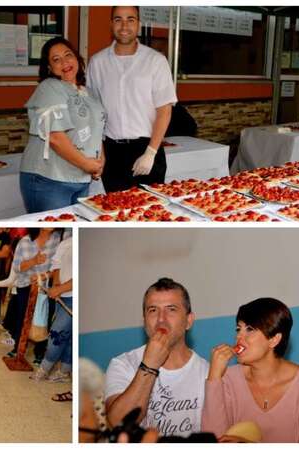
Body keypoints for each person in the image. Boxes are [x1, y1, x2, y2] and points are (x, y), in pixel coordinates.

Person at [201, 298, 299, 442]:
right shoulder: (228, 378)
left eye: (249, 329)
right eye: (238, 329)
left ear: (274, 339)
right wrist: (214, 378)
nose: (238, 336)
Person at [87, 6, 177, 192]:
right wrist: (99, 152)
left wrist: (151, 152)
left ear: (138, 24)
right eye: (118, 19)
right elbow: (93, 113)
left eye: (130, 19)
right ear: (111, 24)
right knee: (115, 214)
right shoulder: (97, 62)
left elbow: (164, 110)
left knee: (149, 214)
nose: (124, 25)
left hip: (147, 148)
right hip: (112, 152)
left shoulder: (156, 61)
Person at [105, 278, 209, 438]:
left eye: (171, 309)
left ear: (189, 321)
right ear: (144, 320)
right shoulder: (122, 364)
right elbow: (118, 423)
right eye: (153, 310)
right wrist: (149, 365)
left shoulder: (208, 372)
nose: (161, 319)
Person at [19, 37, 105, 213]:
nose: (65, 62)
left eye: (68, 55)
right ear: (49, 68)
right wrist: (87, 165)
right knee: (53, 231)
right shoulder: (50, 87)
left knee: (72, 234)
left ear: (77, 59)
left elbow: (97, 129)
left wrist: (100, 161)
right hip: (49, 178)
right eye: (56, 59)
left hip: (81, 178)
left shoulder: (89, 92)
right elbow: (56, 138)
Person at [2, 228, 61, 362]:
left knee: (45, 318)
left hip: (46, 287)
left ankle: (40, 351)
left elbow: (58, 266)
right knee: (22, 318)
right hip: (25, 285)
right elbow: (17, 267)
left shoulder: (57, 238)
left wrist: (45, 276)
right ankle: (17, 348)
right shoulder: (25, 241)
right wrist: (34, 261)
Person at [33, 232, 73, 384]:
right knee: (63, 335)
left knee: (58, 336)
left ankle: (45, 370)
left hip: (74, 297)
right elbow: (57, 266)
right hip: (62, 296)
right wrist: (56, 287)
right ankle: (62, 372)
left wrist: (61, 288)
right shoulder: (66, 242)